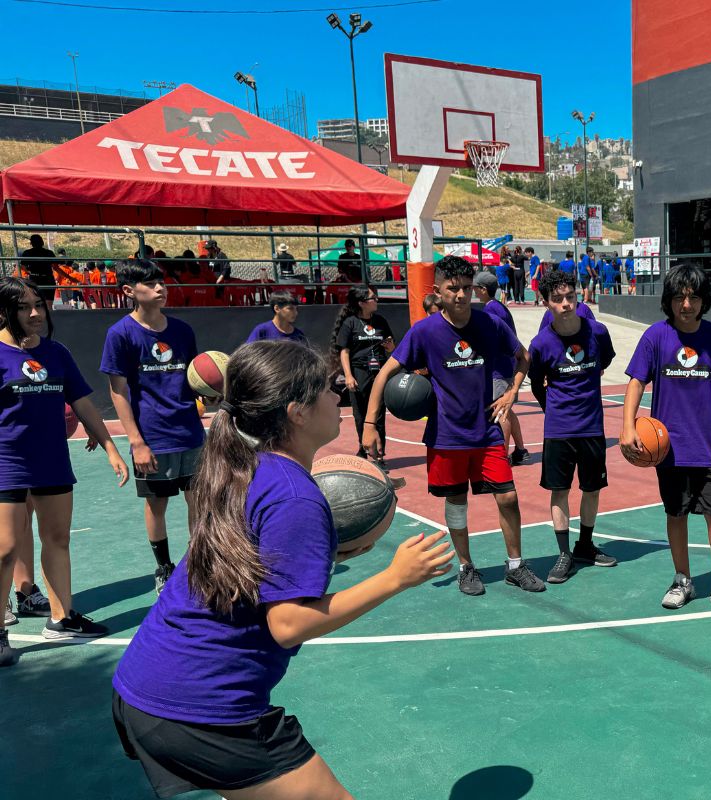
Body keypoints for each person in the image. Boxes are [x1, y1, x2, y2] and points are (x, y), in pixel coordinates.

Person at [111, 340, 452, 798]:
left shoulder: (244, 466)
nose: (337, 397)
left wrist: (321, 554)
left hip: (147, 684)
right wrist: (395, 578)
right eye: (329, 390)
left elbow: (248, 559)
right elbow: (288, 624)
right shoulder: (296, 496)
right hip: (202, 704)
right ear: (297, 411)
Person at [363, 255, 545, 596]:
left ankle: (516, 566)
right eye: (453, 288)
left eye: (465, 288)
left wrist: (511, 393)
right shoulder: (424, 332)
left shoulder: (489, 324)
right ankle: (466, 566)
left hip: (487, 428)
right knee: (457, 501)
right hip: (447, 434)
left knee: (507, 497)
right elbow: (384, 374)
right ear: (438, 290)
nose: (460, 295)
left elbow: (524, 356)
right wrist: (370, 423)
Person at [0, 277, 129, 663]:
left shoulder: (57, 353)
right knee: (5, 549)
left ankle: (61, 618)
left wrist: (110, 446)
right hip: (7, 461)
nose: (36, 313)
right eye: (25, 307)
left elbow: (85, 404)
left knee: (57, 538)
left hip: (52, 460)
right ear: (4, 311)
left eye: (39, 305)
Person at [620, 263, 711, 614]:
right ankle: (683, 580)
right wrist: (628, 424)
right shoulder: (655, 337)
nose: (686, 304)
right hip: (670, 450)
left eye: (693, 297)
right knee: (675, 514)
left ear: (704, 300)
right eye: (679, 297)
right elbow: (635, 381)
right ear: (669, 300)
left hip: (710, 448)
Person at [101, 260, 206, 594]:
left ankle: (198, 563)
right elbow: (117, 391)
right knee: (157, 504)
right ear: (129, 291)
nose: (160, 288)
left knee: (199, 501)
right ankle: (163, 567)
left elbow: (195, 377)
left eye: (161, 282)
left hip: (189, 431)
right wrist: (136, 442)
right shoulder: (120, 334)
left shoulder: (183, 330)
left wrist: (208, 393)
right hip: (153, 437)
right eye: (150, 283)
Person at [528, 269, 618, 583]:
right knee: (560, 491)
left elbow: (604, 362)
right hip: (559, 430)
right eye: (558, 299)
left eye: (570, 297)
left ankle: (585, 544)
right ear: (546, 303)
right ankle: (564, 553)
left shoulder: (598, 332)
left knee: (592, 488)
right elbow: (537, 384)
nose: (566, 304)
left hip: (592, 426)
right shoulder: (540, 343)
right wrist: (551, 410)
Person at [331, 286, 394, 463]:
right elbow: (344, 352)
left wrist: (390, 347)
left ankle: (379, 454)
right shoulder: (350, 323)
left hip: (378, 372)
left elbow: (392, 346)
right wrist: (349, 376)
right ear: (361, 303)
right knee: (360, 414)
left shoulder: (380, 321)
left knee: (379, 414)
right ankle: (364, 447)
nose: (376, 300)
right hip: (359, 372)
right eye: (373, 298)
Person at [473, 272, 528, 465]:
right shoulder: (499, 307)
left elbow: (494, 341)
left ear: (483, 290)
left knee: (500, 411)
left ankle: (501, 457)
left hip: (499, 368)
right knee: (507, 410)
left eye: (474, 287)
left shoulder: (491, 311)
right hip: (506, 366)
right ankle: (520, 450)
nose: (472, 290)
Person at [18, 235, 57, 304]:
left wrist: (29, 272)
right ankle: (49, 314)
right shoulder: (49, 253)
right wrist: (69, 277)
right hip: (48, 278)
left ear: (31, 243)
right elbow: (55, 267)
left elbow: (22, 266)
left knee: (36, 302)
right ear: (42, 242)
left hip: (34, 278)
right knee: (49, 303)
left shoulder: (27, 253)